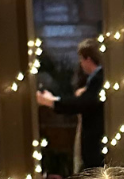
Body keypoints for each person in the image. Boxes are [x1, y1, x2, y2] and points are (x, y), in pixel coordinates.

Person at [37, 40, 105, 171]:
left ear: (88, 60)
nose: (80, 63)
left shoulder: (99, 79)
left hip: (95, 139)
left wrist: (52, 101)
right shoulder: (95, 79)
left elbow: (82, 104)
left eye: (81, 59)